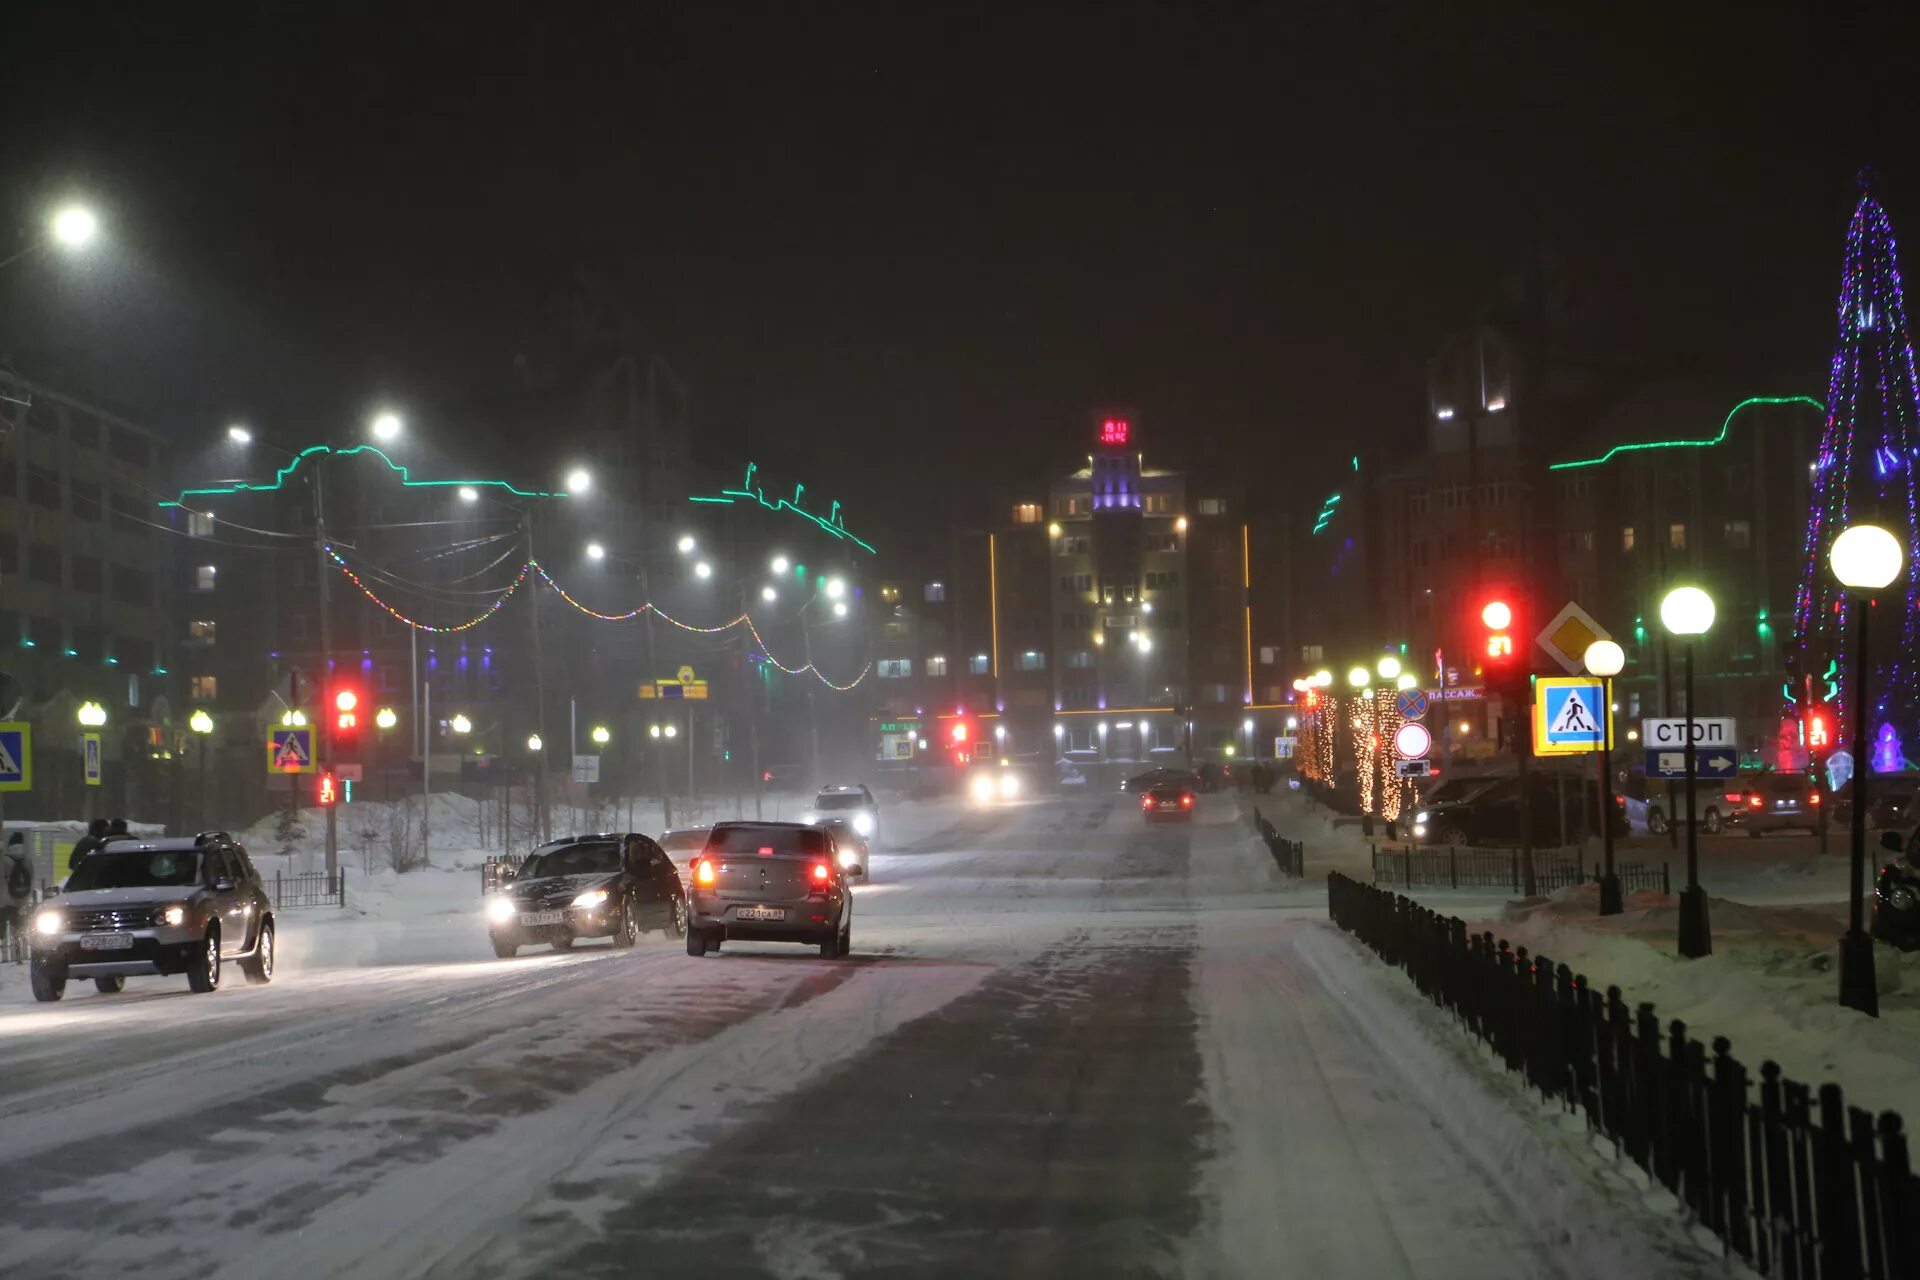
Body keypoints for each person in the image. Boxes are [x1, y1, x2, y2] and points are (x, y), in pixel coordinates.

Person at [3, 832, 31, 940]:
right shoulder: (27, 860)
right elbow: (31, 881)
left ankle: (3, 949)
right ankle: (20, 944)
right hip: (20, 900)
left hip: (5, 902)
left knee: (3, 930)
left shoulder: (4, 860)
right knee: (18, 928)